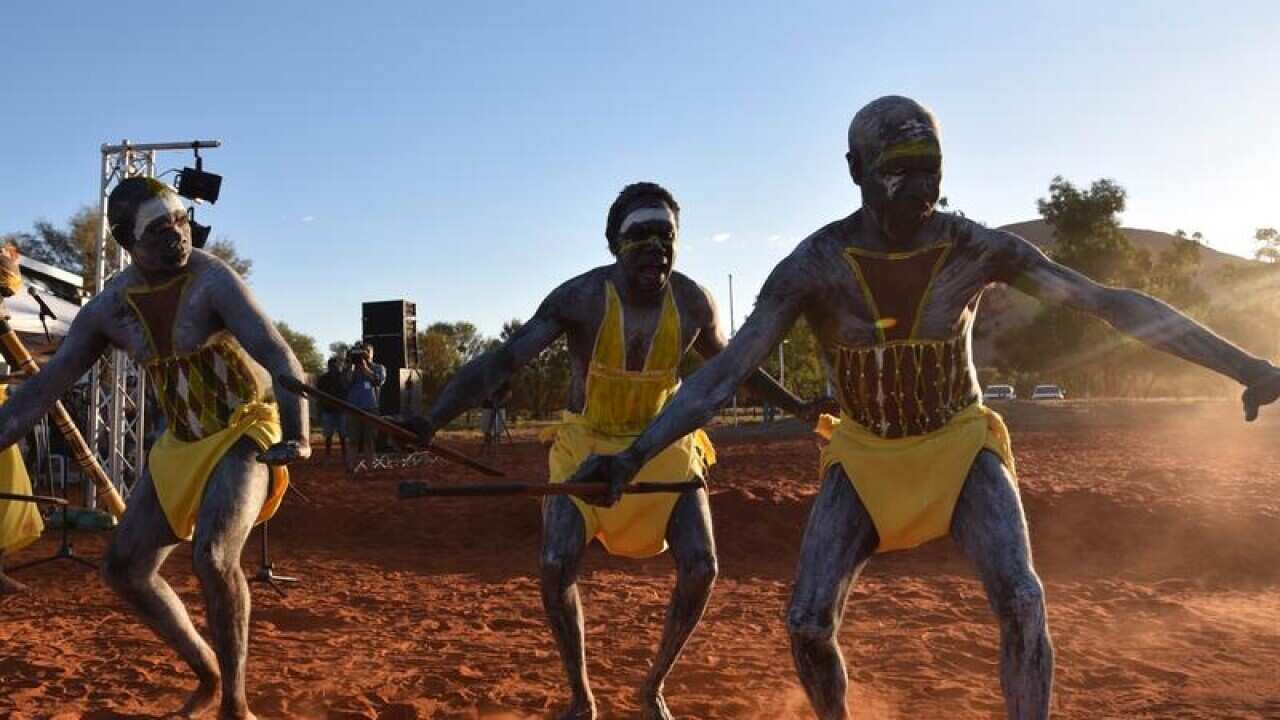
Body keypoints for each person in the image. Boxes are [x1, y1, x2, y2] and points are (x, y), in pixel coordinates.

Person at [568, 98, 1280, 720]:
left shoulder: (973, 248)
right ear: (855, 169)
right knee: (808, 622)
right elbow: (723, 376)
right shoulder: (814, 265)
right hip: (863, 458)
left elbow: (1109, 304)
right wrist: (631, 458)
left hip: (959, 447)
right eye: (897, 167)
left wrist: (1244, 366)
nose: (920, 184)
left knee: (1022, 599)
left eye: (930, 165)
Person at [409, 182, 808, 719]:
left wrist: (800, 406)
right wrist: (432, 419)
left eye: (666, 235)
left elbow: (734, 368)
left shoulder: (693, 303)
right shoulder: (580, 299)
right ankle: (581, 697)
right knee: (555, 565)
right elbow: (504, 361)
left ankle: (653, 686)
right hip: (586, 445)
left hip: (664, 445)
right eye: (640, 235)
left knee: (701, 567)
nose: (656, 247)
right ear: (614, 244)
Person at [0, 178, 310, 719]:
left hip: (244, 428)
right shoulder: (108, 308)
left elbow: (278, 355)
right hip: (182, 443)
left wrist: (298, 432)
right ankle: (209, 674)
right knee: (124, 568)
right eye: (160, 229)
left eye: (181, 221)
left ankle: (236, 706)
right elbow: (43, 389)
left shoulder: (213, 279)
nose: (178, 236)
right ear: (127, 240)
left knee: (214, 557)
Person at [342, 341, 385, 472]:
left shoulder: (378, 367)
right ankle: (351, 468)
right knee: (352, 439)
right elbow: (346, 384)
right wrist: (351, 366)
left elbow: (379, 381)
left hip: (371, 407)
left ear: (372, 353)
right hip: (353, 408)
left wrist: (366, 368)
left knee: (369, 440)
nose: (363, 354)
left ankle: (370, 468)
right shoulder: (350, 368)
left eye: (367, 351)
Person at [316, 356, 348, 457]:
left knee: (342, 434)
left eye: (335, 366)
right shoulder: (323, 379)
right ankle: (328, 455)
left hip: (341, 410)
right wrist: (320, 409)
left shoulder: (344, 378)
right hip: (328, 410)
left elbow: (347, 392)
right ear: (328, 366)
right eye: (331, 366)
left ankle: (345, 455)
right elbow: (319, 395)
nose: (333, 368)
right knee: (328, 435)